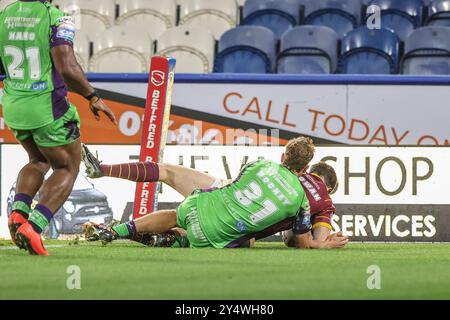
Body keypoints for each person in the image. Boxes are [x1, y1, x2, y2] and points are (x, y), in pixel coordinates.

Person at [82, 137, 349, 249]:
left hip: (224, 190)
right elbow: (305, 241)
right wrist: (322, 243)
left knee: (167, 173)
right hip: (240, 228)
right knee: (189, 235)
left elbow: (237, 182)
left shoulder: (262, 164)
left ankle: (103, 169)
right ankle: (125, 233)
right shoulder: (320, 203)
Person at [0, 0, 117, 256]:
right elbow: (67, 67)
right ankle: (35, 226)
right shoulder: (56, 18)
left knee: (38, 160)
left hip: (13, 105)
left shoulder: (5, 14)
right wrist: (93, 97)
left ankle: (18, 214)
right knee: (67, 167)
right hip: (46, 107)